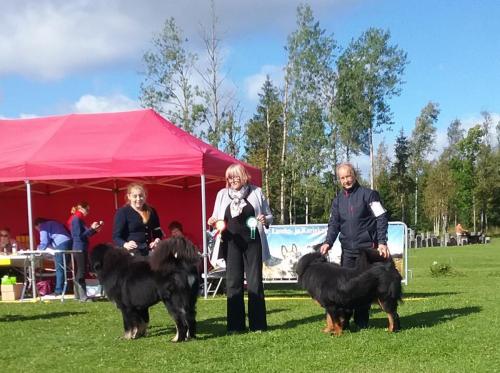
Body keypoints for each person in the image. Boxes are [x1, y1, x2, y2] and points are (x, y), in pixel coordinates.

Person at [320, 162, 389, 329]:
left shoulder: (370, 195)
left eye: (348, 176)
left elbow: (381, 218)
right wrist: (328, 242)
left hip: (366, 251)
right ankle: (343, 321)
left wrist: (381, 242)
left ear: (354, 175)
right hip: (348, 252)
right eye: (342, 178)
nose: (346, 180)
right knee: (345, 288)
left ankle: (362, 321)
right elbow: (334, 224)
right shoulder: (337, 201)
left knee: (364, 288)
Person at [207, 163, 273, 333]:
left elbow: (269, 215)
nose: (233, 180)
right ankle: (235, 327)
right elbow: (216, 217)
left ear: (244, 177)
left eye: (236, 176)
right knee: (233, 283)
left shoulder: (257, 192)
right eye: (230, 177)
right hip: (230, 243)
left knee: (254, 283)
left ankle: (258, 325)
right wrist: (213, 222)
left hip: (253, 242)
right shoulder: (222, 194)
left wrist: (266, 219)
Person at [113, 183, 163, 256]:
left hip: (149, 252)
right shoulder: (123, 212)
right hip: (131, 254)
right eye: (135, 196)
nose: (138, 199)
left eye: (141, 196)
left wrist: (157, 240)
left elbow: (157, 231)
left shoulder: (151, 211)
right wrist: (125, 244)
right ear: (129, 196)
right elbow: (116, 237)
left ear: (145, 196)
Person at [67, 202, 102, 301]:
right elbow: (79, 236)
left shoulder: (78, 218)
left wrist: (95, 229)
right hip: (79, 248)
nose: (88, 212)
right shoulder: (77, 219)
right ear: (81, 208)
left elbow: (86, 234)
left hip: (80, 247)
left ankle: (78, 296)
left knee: (80, 271)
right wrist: (91, 228)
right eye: (87, 209)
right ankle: (83, 296)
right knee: (82, 272)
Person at [34, 218, 73, 296]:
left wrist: (37, 250)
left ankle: (58, 291)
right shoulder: (54, 223)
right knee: (65, 267)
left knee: (59, 268)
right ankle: (67, 288)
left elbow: (44, 242)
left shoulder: (43, 226)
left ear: (38, 225)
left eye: (37, 229)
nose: (39, 231)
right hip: (69, 242)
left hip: (61, 245)